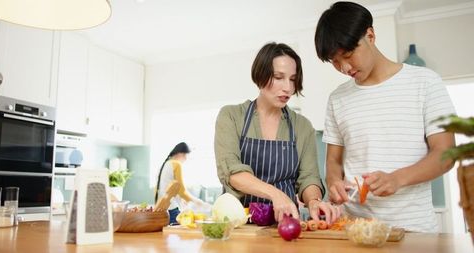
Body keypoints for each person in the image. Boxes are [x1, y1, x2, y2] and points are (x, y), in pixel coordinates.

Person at [315, 2, 456, 232]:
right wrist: (334, 184)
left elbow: (446, 153)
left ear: (370, 35)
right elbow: (334, 161)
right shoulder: (337, 98)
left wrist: (396, 178)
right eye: (335, 62)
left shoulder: (425, 82)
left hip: (414, 231)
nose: (344, 67)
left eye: (348, 55)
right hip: (356, 230)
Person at [214, 42, 341, 224]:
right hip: (238, 226)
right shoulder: (232, 116)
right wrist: (276, 194)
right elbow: (232, 173)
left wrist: (314, 201)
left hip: (286, 225)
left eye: (292, 79)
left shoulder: (302, 126)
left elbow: (309, 177)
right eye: (279, 77)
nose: (288, 88)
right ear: (261, 74)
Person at [155, 142, 203, 225]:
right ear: (181, 154)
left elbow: (160, 189)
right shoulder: (176, 164)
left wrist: (182, 199)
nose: (185, 159)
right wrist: (198, 202)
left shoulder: (165, 164)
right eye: (186, 156)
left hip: (162, 210)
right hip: (173, 210)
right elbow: (182, 191)